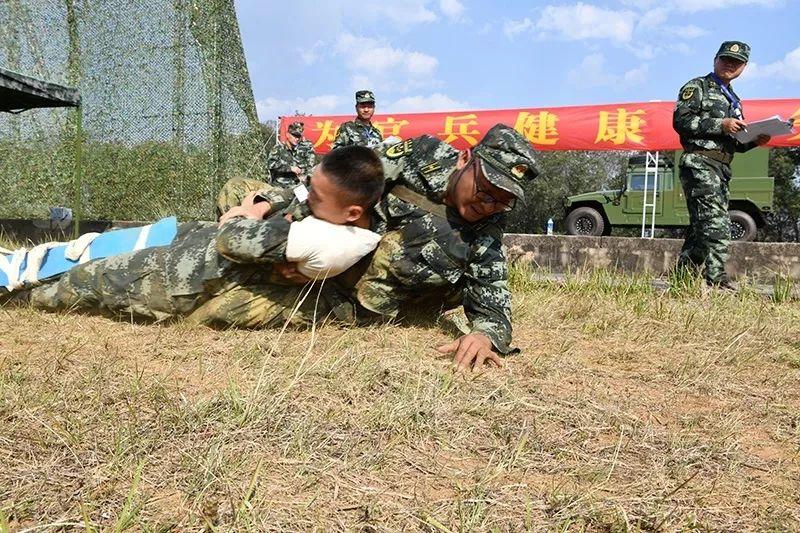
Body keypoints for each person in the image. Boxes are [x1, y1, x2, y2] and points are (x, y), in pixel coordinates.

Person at [215, 124, 539, 372]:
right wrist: (271, 206)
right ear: (465, 159)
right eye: (485, 190)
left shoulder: (487, 226)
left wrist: (485, 335)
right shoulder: (423, 155)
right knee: (238, 191)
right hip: (334, 228)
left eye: (503, 200)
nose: (489, 205)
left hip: (353, 292)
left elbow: (493, 299)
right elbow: (340, 182)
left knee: (227, 303)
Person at [20, 146, 385, 325]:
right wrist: (261, 208)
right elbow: (294, 196)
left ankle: (24, 297)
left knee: (93, 278)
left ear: (352, 212)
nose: (309, 198)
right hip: (213, 253)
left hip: (197, 275)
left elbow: (232, 241)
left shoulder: (329, 241)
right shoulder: (338, 209)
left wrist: (244, 218)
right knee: (114, 242)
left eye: (317, 196)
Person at [673, 41, 770, 288]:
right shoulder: (698, 87)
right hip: (699, 162)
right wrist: (721, 124)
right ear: (715, 59)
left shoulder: (734, 100)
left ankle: (682, 279)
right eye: (725, 59)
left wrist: (754, 141)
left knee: (701, 227)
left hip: (722, 168)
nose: (729, 64)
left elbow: (734, 144)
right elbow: (681, 121)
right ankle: (717, 280)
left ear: (744, 67)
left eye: (736, 62)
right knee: (717, 223)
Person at [266, 121, 316, 187]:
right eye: (294, 135)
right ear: (287, 134)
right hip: (280, 187)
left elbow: (308, 167)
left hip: (297, 186)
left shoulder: (301, 151)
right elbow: (271, 165)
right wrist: (290, 168)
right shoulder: (279, 148)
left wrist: (304, 176)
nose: (297, 139)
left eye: (298, 136)